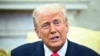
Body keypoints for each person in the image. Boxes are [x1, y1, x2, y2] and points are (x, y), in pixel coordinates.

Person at [11, 3, 99, 56]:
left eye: (57, 23)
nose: (53, 30)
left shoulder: (90, 55)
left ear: (67, 26)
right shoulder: (19, 54)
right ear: (38, 32)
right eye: (46, 25)